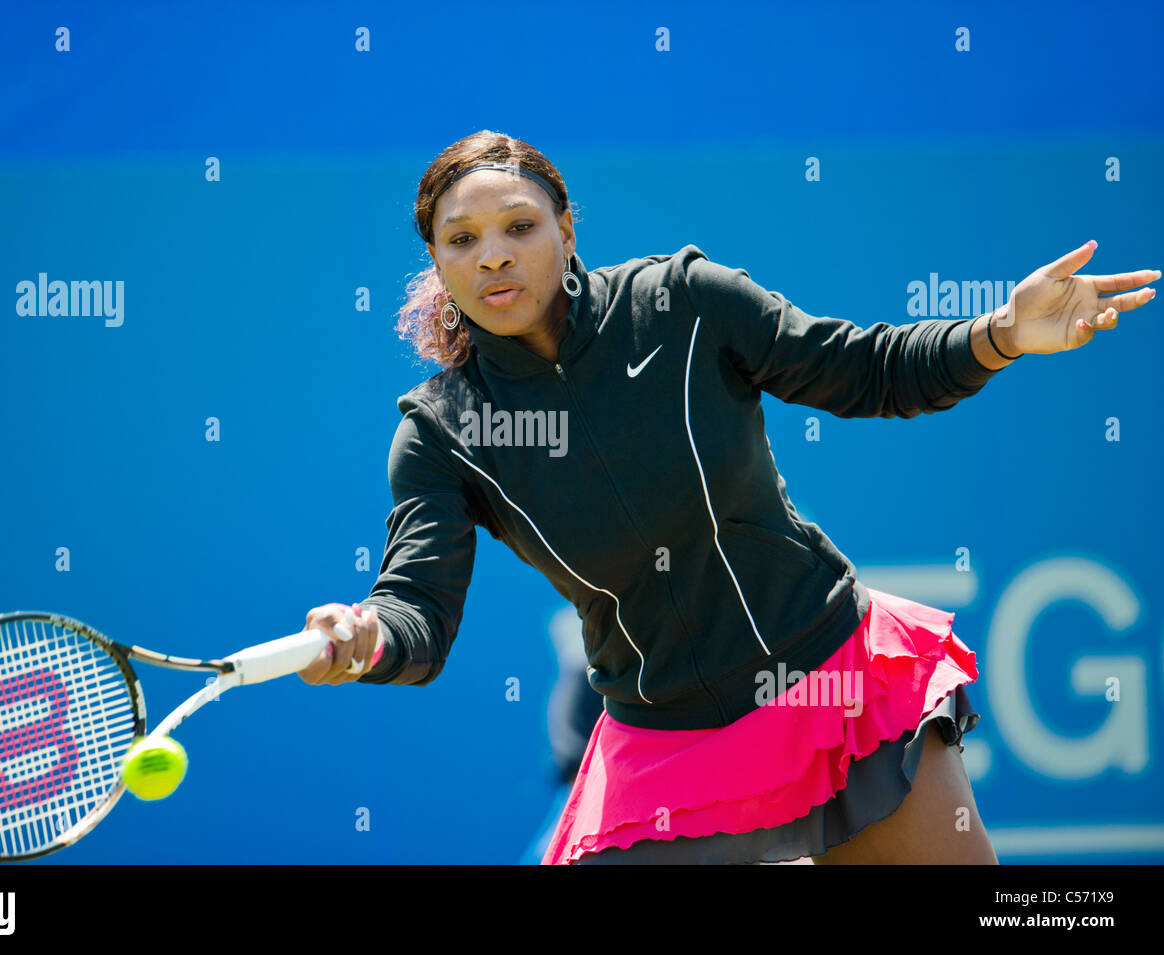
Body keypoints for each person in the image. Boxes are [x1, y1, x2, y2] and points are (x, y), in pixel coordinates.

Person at [296, 130, 1160, 864]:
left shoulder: (684, 303)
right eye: (461, 240)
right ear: (437, 263)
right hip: (665, 750)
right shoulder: (439, 433)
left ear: (566, 230)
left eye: (519, 226)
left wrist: (1000, 333)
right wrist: (365, 637)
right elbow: (418, 611)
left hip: (836, 683)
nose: (492, 254)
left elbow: (864, 368)